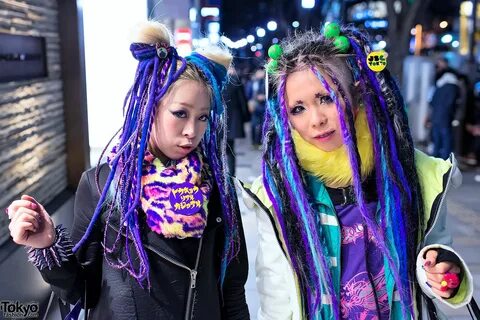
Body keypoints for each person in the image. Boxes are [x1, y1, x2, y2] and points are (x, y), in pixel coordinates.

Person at [6, 21, 249, 320]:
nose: (191, 131)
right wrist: (47, 243)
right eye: (180, 113)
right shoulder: (103, 184)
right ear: (150, 106)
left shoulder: (217, 188)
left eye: (202, 117)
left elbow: (233, 289)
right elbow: (82, 291)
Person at [238, 24, 474, 319]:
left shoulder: (413, 173)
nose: (316, 120)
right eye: (298, 109)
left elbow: (432, 257)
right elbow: (275, 290)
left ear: (359, 94)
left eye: (326, 98)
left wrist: (442, 273)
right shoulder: (279, 190)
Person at [429, 57, 459, 160]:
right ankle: (446, 159)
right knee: (446, 138)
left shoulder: (439, 84)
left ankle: (436, 158)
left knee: (438, 137)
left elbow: (432, 101)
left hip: (437, 115)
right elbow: (451, 102)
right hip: (445, 115)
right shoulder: (453, 85)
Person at [223, 66, 250, 175]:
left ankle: (221, 172)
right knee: (230, 148)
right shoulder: (235, 82)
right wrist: (246, 118)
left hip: (220, 120)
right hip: (233, 120)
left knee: (220, 148)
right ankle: (231, 173)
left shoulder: (217, 81)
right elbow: (242, 101)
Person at [246, 68, 266, 148]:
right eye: (259, 72)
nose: (260, 74)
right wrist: (249, 103)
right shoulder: (251, 82)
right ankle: (254, 142)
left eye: (262, 72)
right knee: (254, 125)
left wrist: (264, 97)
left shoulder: (266, 82)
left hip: (263, 106)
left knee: (262, 125)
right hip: (254, 106)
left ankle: (260, 142)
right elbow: (248, 94)